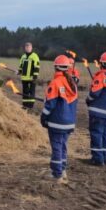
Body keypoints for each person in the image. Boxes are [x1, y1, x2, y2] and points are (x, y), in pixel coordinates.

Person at [40, 55, 78, 183]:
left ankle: (57, 175)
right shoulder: (72, 83)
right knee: (63, 146)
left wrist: (43, 117)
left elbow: (49, 105)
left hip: (57, 122)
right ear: (68, 68)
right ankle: (62, 170)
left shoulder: (55, 83)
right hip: (69, 122)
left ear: (56, 67)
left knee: (56, 147)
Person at [17, 42, 40, 109]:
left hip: (32, 78)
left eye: (29, 47)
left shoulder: (35, 56)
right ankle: (25, 105)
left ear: (31, 48)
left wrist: (35, 76)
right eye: (26, 47)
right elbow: (21, 66)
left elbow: (37, 66)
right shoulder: (23, 57)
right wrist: (19, 71)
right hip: (24, 78)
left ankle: (30, 106)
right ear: (25, 48)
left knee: (31, 92)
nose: (27, 48)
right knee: (25, 92)